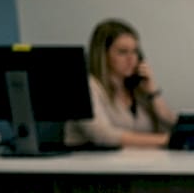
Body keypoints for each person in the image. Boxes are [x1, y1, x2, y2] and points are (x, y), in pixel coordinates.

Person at [64, 18, 177, 148]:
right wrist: (166, 140)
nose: (131, 59)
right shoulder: (85, 87)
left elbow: (170, 125)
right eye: (123, 52)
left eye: (135, 51)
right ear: (103, 55)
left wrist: (153, 93)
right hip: (86, 159)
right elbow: (103, 135)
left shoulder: (137, 89)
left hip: (133, 160)